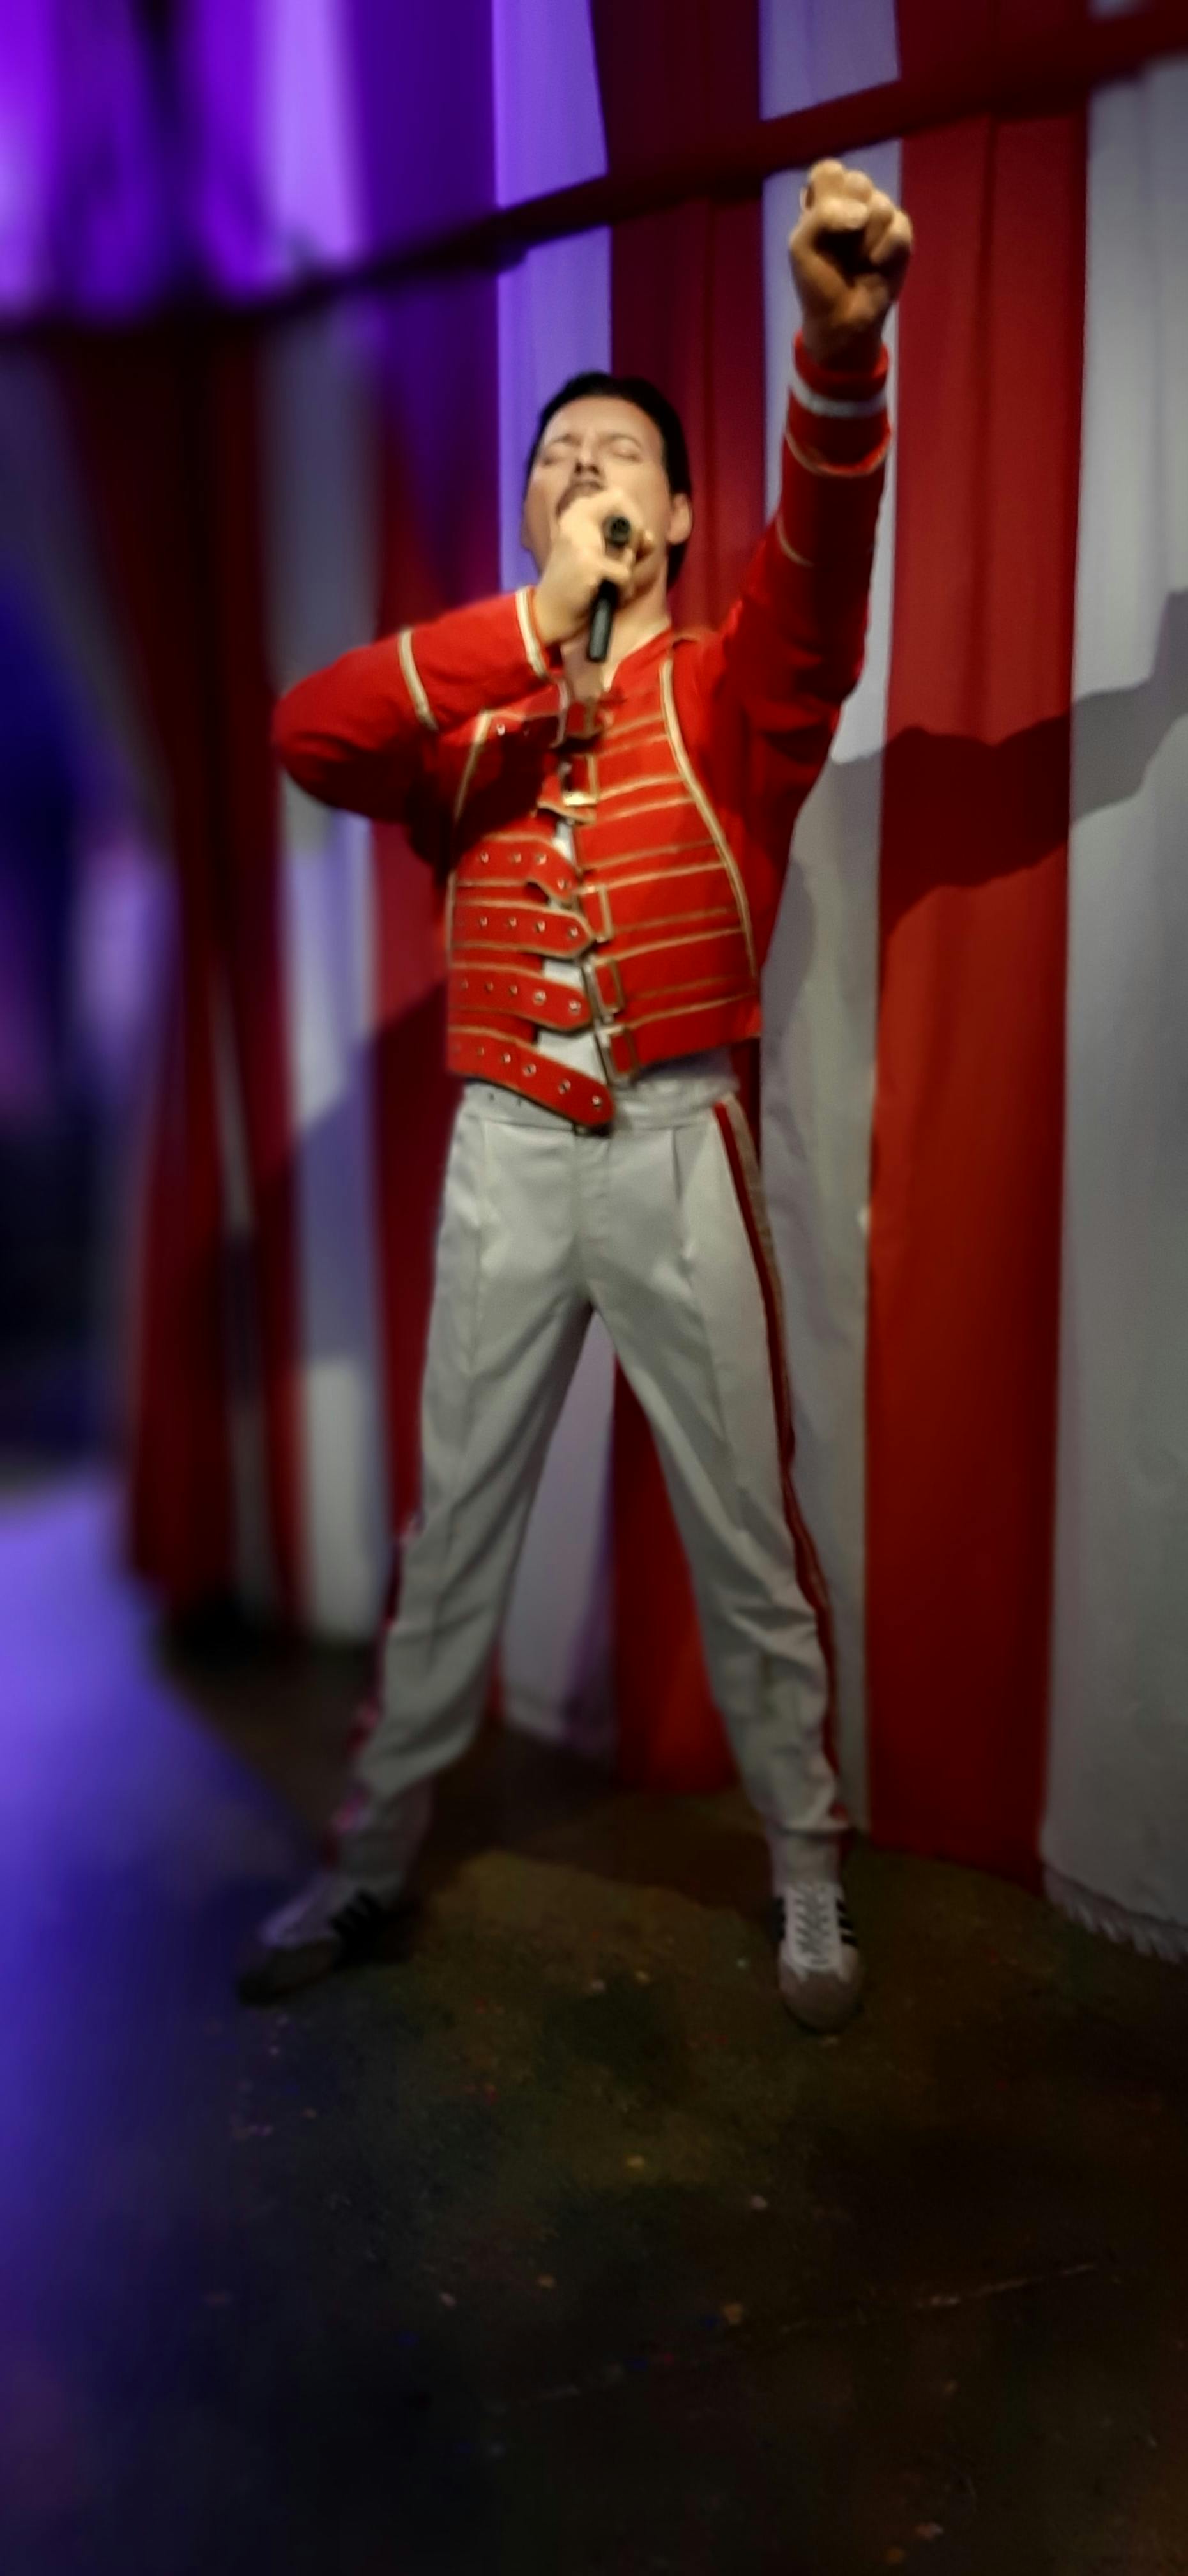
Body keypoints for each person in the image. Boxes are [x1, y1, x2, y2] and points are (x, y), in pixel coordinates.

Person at [241, 160, 913, 2032]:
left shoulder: (734, 692)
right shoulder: (468, 711)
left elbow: (824, 576)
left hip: (677, 1141)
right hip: (506, 1156)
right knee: (453, 1535)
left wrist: (838, 357)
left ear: (678, 513)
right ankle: (371, 1861)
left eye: (618, 455)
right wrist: (533, 620)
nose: (584, 470)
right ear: (536, 515)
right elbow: (308, 732)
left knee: (747, 1540)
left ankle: (804, 1874)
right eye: (557, 459)